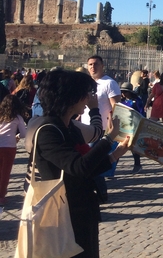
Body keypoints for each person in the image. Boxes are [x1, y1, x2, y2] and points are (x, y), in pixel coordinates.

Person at [32, 69, 131, 257]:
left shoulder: (69, 127)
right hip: (63, 214)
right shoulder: (48, 131)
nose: (89, 99)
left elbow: (88, 166)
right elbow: (77, 167)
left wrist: (115, 154)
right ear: (70, 97)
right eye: (85, 94)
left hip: (83, 210)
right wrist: (108, 139)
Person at [0, 88, 27, 214]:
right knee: (5, 172)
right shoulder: (17, 118)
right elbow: (23, 133)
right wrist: (17, 137)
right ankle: (1, 196)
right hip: (9, 146)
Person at [82, 55, 121, 130]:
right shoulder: (86, 83)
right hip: (85, 128)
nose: (93, 66)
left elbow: (116, 108)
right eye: (90, 64)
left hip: (102, 129)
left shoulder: (110, 83)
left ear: (102, 66)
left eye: (96, 64)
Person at [120, 82, 145, 174]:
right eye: (122, 91)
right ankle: (112, 168)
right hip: (122, 125)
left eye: (125, 92)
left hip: (133, 125)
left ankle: (137, 165)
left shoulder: (137, 100)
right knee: (119, 146)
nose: (123, 93)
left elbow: (141, 113)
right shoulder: (121, 100)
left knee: (133, 146)